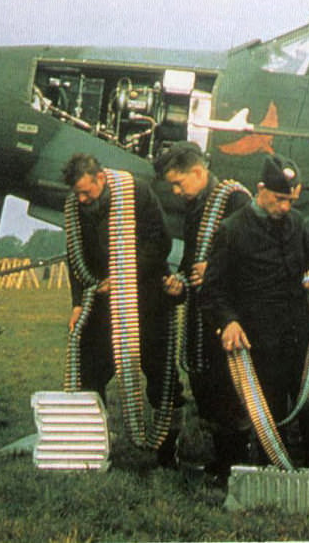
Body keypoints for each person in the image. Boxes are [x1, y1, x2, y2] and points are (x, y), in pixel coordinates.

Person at [202, 153, 309, 474]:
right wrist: (228, 321)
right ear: (260, 189)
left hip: (304, 336)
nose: (285, 207)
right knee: (270, 414)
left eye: (290, 200)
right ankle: (271, 480)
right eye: (279, 199)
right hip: (263, 341)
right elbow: (211, 291)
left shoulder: (298, 223)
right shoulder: (231, 231)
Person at [61, 153, 183, 467]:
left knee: (162, 376)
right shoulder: (77, 207)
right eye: (78, 194)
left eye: (87, 191)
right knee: (89, 371)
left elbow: (161, 243)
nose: (83, 199)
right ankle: (94, 447)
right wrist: (78, 302)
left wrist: (125, 275)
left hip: (147, 299)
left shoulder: (136, 192)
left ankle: (168, 451)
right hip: (102, 302)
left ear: (100, 178)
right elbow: (76, 258)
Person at [153, 141, 252, 480]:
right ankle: (221, 461)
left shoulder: (235, 199)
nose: (177, 191)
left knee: (229, 393)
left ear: (198, 171)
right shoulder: (196, 207)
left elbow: (252, 254)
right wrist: (180, 281)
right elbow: (190, 260)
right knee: (207, 389)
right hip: (201, 314)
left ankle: (235, 464)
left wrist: (214, 268)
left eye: (179, 183)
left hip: (226, 314)